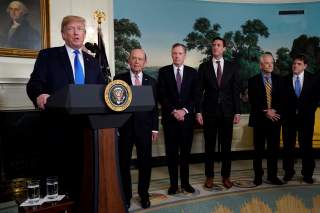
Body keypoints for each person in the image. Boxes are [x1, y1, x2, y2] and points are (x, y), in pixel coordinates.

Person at [26, 15, 105, 205]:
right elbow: (34, 83)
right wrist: (40, 94)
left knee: (82, 179)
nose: (77, 32)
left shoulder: (93, 62)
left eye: (80, 28)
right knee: (56, 180)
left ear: (85, 34)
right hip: (56, 130)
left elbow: (101, 90)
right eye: (71, 28)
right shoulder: (48, 56)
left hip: (87, 131)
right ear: (63, 34)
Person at [113, 48, 159, 209]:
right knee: (123, 164)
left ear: (144, 62)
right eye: (134, 58)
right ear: (129, 61)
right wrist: (115, 127)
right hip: (124, 129)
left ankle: (144, 195)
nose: (137, 61)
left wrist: (155, 129)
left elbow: (154, 108)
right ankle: (125, 196)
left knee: (145, 164)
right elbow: (114, 105)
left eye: (140, 59)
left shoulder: (152, 81)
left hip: (145, 129)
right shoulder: (119, 79)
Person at [196, 37, 240, 189]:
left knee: (226, 146)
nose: (215, 47)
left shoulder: (232, 67)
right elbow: (198, 92)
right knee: (209, 146)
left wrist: (238, 112)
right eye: (213, 45)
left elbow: (235, 91)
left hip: (227, 113)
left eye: (218, 45)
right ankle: (209, 177)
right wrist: (198, 112)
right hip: (209, 112)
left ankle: (226, 176)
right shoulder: (204, 67)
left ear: (224, 48)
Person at [157, 43, 198, 195]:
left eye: (180, 53)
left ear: (184, 55)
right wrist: (174, 111)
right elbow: (162, 95)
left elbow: (196, 96)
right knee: (172, 155)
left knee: (185, 155)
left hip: (187, 121)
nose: (177, 56)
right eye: (174, 53)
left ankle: (186, 183)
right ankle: (173, 185)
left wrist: (184, 111)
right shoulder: (164, 72)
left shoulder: (193, 73)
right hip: (170, 121)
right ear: (171, 54)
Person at [282, 54, 318, 184]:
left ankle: (307, 174)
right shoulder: (285, 79)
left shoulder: (313, 79)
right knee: (288, 147)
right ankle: (288, 172)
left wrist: (307, 112)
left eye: (298, 64)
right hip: (288, 119)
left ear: (305, 66)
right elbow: (282, 100)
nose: (295, 66)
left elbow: (316, 99)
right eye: (294, 63)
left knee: (306, 147)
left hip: (306, 119)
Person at [248, 53, 283, 186]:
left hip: (275, 119)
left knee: (273, 150)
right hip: (259, 120)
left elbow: (282, 99)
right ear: (261, 65)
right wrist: (266, 111)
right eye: (267, 63)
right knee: (258, 150)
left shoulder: (280, 80)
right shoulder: (253, 80)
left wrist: (273, 110)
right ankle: (258, 176)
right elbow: (253, 100)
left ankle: (272, 176)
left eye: (272, 63)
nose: (270, 65)